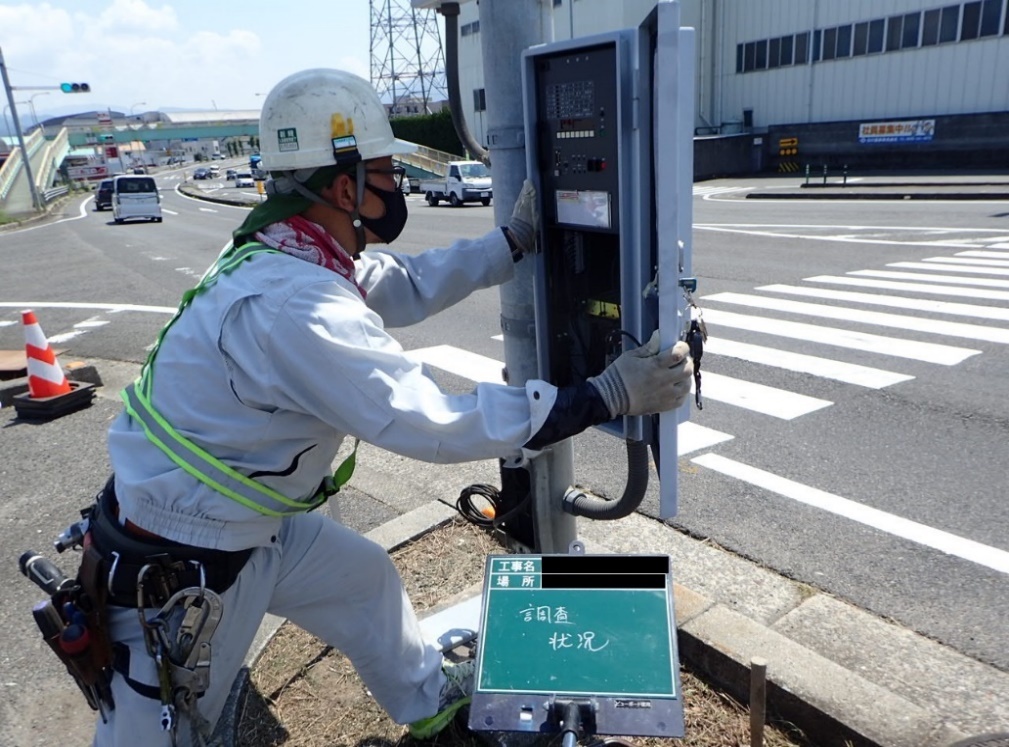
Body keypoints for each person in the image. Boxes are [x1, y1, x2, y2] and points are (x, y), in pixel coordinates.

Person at [89, 68, 693, 745]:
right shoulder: (297, 305)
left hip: (241, 518)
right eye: (385, 171)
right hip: (187, 557)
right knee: (171, 733)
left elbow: (399, 285)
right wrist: (603, 395)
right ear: (344, 186)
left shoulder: (291, 252)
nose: (395, 186)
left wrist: (511, 241)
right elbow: (428, 422)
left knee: (362, 577)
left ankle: (430, 699)